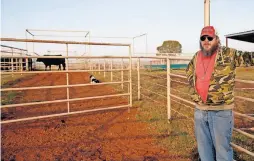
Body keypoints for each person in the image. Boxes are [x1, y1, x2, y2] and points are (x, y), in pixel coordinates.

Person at [186, 26, 243, 161]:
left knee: (222, 151)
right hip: (200, 111)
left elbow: (250, 58)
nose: (206, 41)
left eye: (210, 38)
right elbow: (188, 71)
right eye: (203, 38)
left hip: (221, 112)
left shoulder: (229, 54)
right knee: (204, 149)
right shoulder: (196, 56)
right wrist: (194, 91)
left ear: (216, 39)